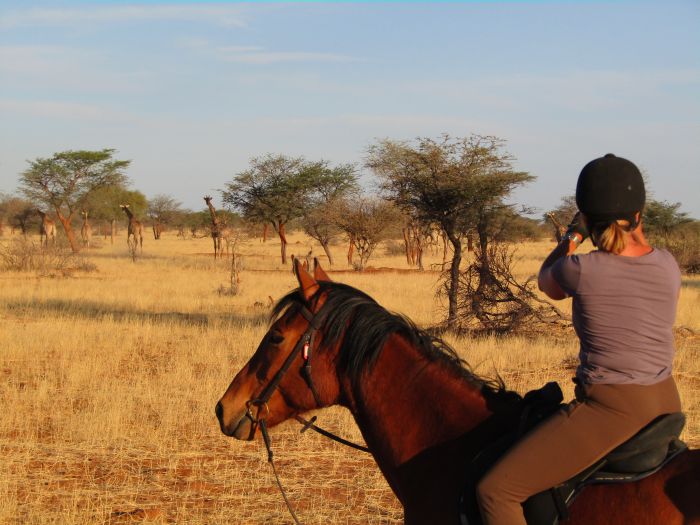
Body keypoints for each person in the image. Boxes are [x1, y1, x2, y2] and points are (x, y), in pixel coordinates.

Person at [476, 153, 683, 525]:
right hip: (665, 398)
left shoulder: (581, 269)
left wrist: (572, 237)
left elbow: (545, 281)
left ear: (586, 218)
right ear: (640, 214)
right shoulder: (668, 264)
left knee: (495, 491)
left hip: (613, 408)